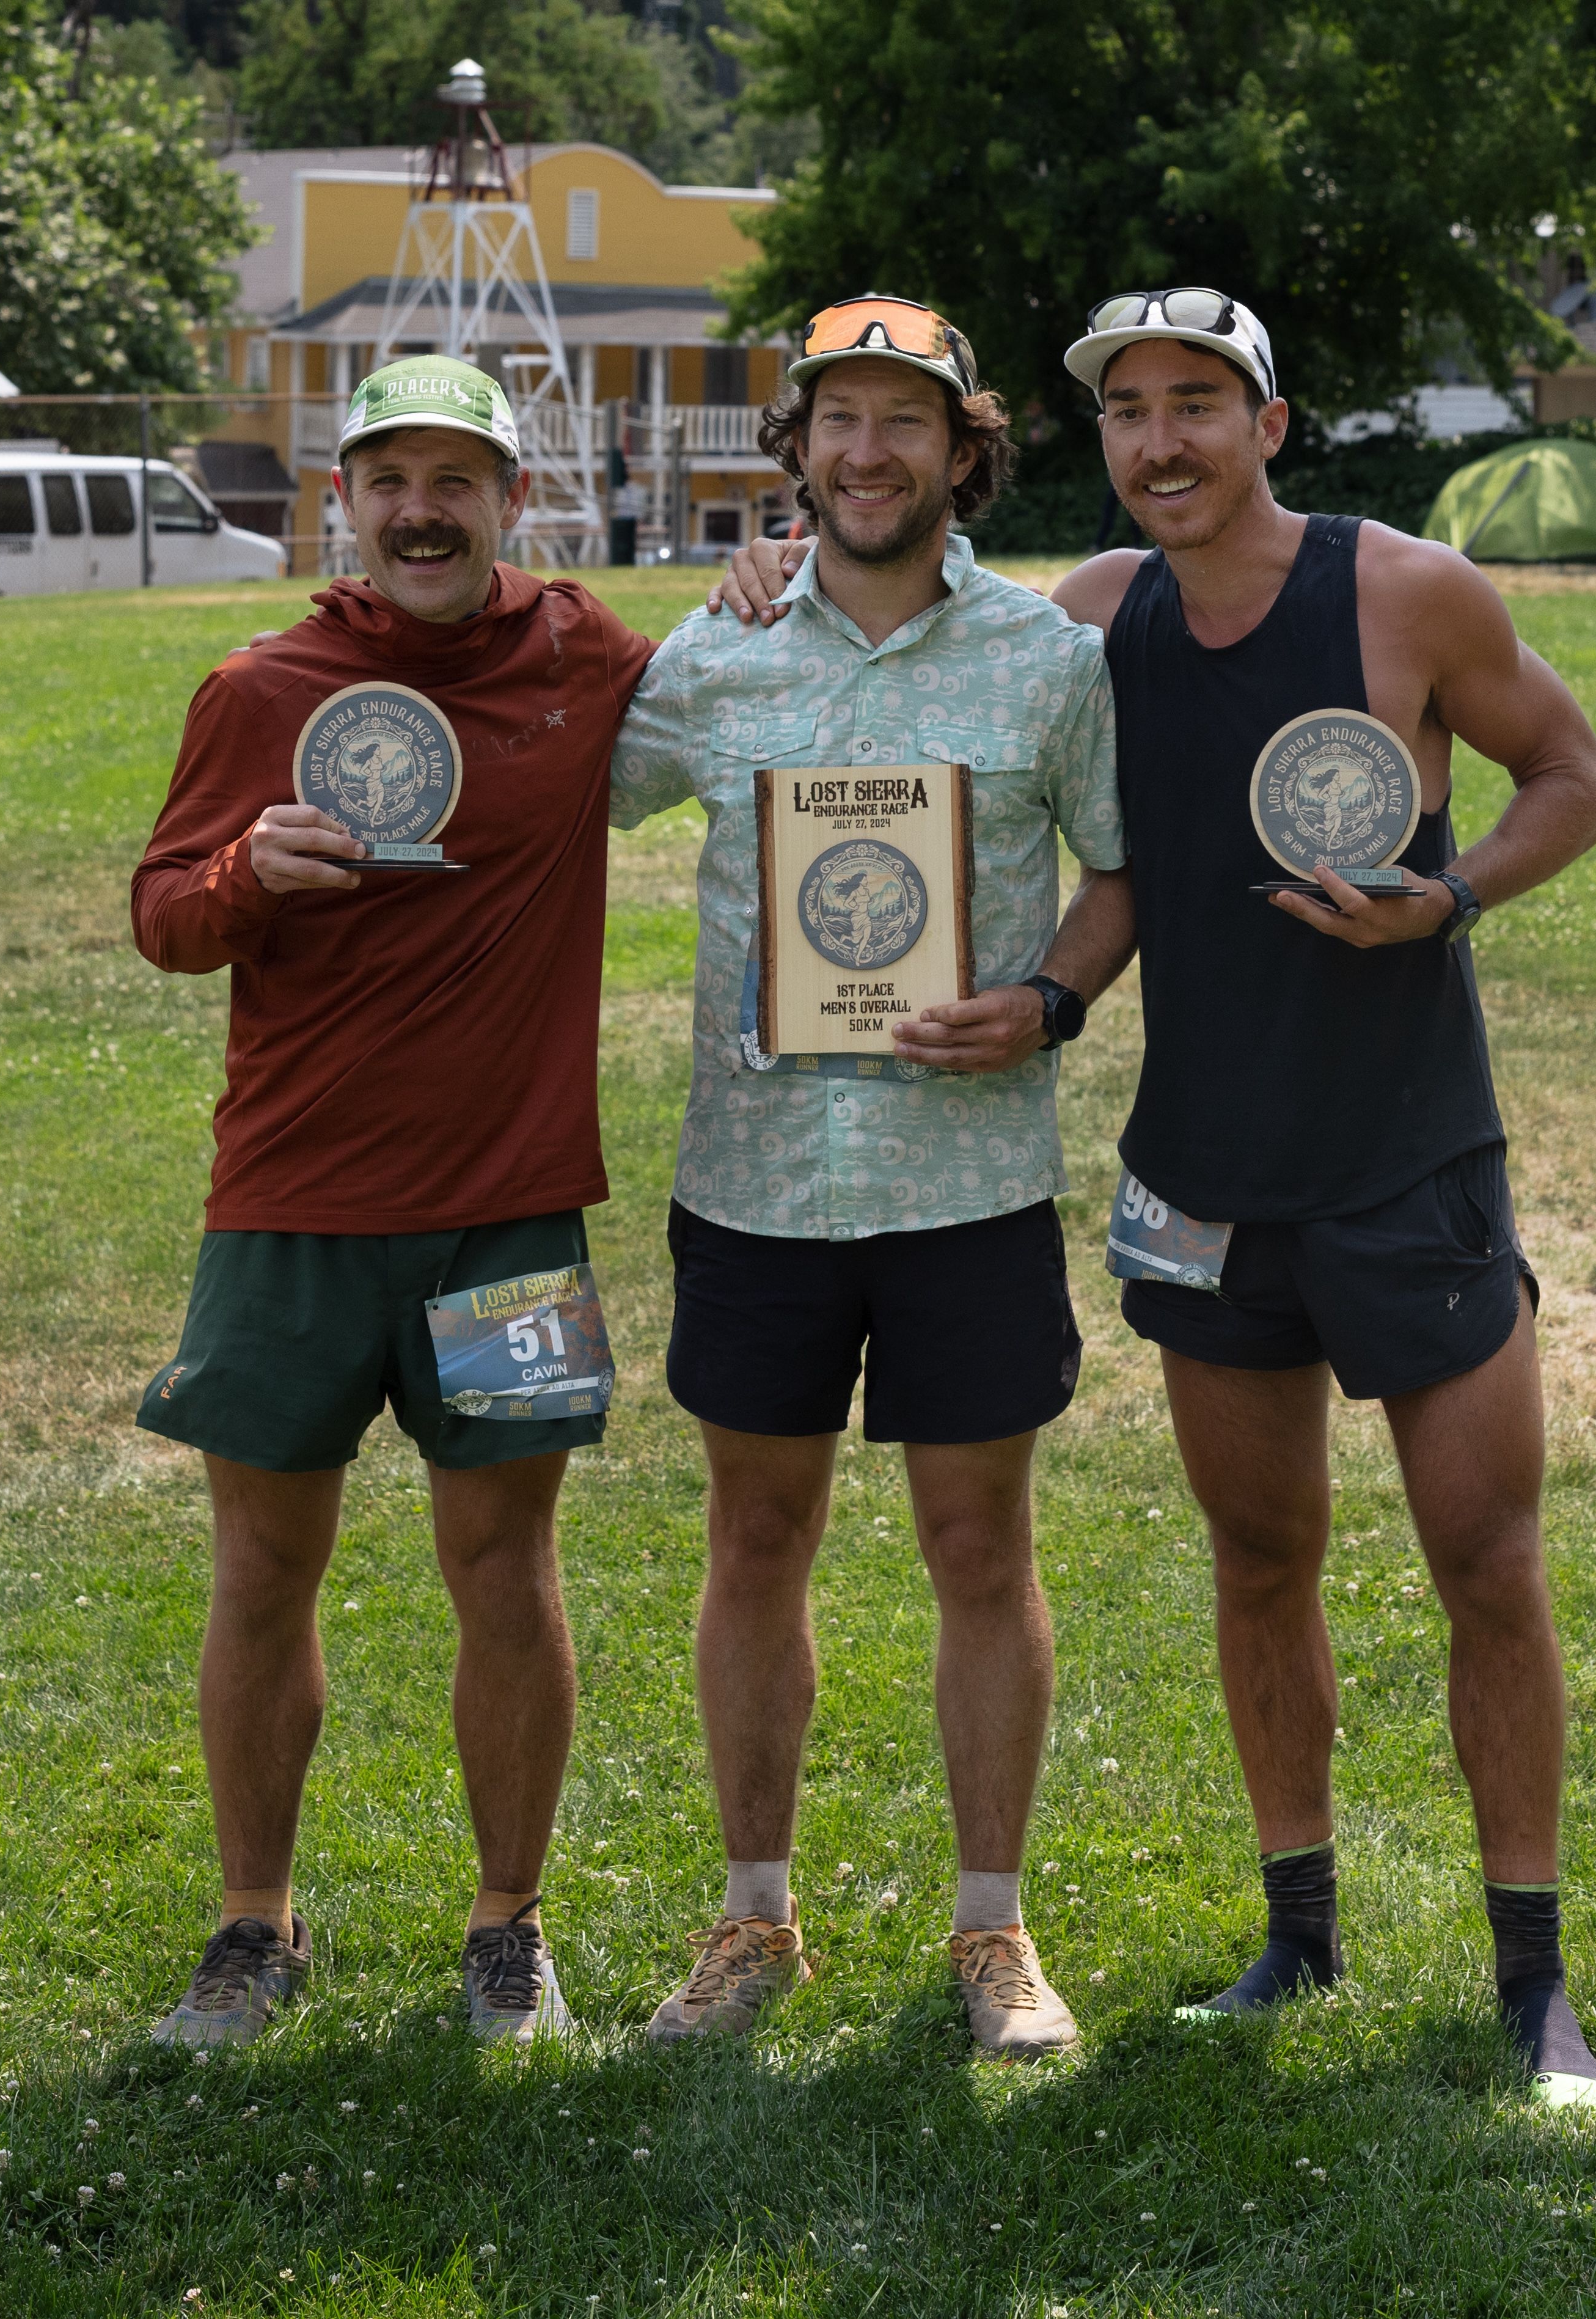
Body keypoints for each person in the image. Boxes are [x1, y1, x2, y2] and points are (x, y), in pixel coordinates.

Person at [1032, 289, 1596, 2107]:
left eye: (1197, 401)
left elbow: (1575, 776)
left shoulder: (1407, 591)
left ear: (1270, 424)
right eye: (1127, 409)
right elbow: (902, 664)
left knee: (1484, 1563)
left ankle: (1533, 1983)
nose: (1160, 440)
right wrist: (759, 583)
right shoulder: (1087, 621)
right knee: (1261, 1557)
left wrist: (1447, 897)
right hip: (1203, 1176)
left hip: (1406, 1162)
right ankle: (1301, 1933)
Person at [610, 294, 1130, 2056]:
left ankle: (993, 1931)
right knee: (754, 1536)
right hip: (751, 1177)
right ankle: (753, 1916)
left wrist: (1049, 998)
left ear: (958, 447)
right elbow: (562, 791)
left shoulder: (1047, 660)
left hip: (964, 1178)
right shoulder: (712, 656)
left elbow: (1119, 869)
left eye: (901, 420)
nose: (864, 450)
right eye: (834, 419)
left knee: (978, 1543)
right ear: (797, 452)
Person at [131, 356, 655, 2047]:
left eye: (457, 479)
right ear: (340, 504)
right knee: (262, 1564)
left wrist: (757, 573)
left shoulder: (584, 661)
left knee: (505, 1567)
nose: (421, 510)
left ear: (514, 501)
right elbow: (159, 915)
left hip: (507, 1218)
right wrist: (236, 876)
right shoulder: (258, 682)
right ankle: (251, 1924)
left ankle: (506, 1924)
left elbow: (763, 687)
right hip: (285, 1215)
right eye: (388, 481)